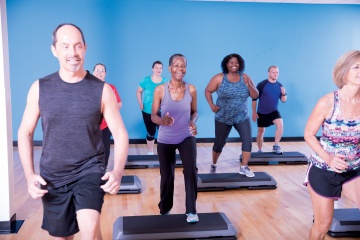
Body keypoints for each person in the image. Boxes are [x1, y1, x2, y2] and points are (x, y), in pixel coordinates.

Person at [17, 23, 129, 239]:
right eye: (65, 46)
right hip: (53, 175)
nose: (73, 53)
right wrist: (30, 175)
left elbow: (121, 133)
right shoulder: (40, 88)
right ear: (54, 50)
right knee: (62, 236)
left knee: (89, 229)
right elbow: (25, 133)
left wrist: (117, 171)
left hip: (89, 169)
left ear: (85, 48)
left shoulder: (102, 90)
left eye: (78, 46)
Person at [304, 50, 360, 240]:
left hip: (354, 168)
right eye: (357, 67)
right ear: (344, 72)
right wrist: (328, 158)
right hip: (323, 170)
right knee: (322, 225)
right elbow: (309, 134)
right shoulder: (328, 102)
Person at [151, 53, 199, 223]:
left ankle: (191, 210)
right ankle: (165, 208)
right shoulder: (160, 90)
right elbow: (153, 116)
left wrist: (193, 122)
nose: (180, 69)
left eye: (183, 65)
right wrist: (161, 120)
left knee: (191, 170)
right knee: (167, 174)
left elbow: (194, 112)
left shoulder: (191, 89)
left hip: (186, 135)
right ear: (170, 68)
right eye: (177, 65)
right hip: (165, 138)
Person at [205, 53, 259, 177]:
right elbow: (208, 90)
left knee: (247, 140)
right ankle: (213, 164)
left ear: (240, 64)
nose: (234, 65)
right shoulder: (219, 78)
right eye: (231, 62)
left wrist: (249, 85)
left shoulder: (245, 77)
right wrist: (212, 106)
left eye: (236, 62)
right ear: (226, 64)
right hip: (223, 116)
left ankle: (244, 167)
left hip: (241, 115)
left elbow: (255, 95)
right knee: (220, 143)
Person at [251, 66, 287, 154]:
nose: (275, 74)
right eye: (273, 72)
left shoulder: (279, 85)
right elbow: (254, 99)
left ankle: (276, 146)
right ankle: (259, 150)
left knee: (280, 124)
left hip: (274, 111)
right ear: (269, 73)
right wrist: (254, 112)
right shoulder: (262, 85)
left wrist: (284, 93)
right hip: (262, 112)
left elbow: (283, 100)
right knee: (261, 131)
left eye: (277, 72)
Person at [93, 63, 122, 168]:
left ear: (105, 74)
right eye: (97, 70)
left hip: (106, 125)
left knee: (105, 146)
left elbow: (119, 104)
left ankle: (103, 169)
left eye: (102, 71)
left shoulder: (111, 88)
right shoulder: (86, 87)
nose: (99, 73)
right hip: (90, 125)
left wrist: (107, 110)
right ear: (93, 72)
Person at [136, 61, 167, 155]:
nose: (158, 69)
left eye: (160, 68)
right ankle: (150, 151)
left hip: (161, 111)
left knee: (163, 132)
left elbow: (168, 95)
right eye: (156, 67)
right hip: (147, 111)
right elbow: (138, 92)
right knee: (151, 133)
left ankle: (164, 152)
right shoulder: (146, 80)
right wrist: (140, 103)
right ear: (152, 69)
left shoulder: (165, 81)